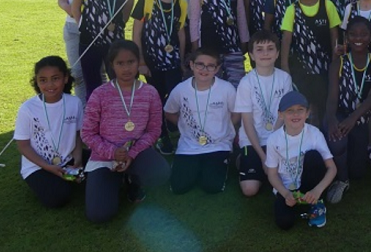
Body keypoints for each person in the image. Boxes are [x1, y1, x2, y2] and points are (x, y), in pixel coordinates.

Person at [81, 40, 170, 222]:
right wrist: (112, 152)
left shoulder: (150, 92)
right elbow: (87, 133)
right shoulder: (100, 94)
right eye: (120, 63)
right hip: (105, 157)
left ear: (138, 62)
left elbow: (154, 130)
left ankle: (132, 180)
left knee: (160, 173)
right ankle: (115, 179)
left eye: (131, 62)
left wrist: (132, 153)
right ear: (112, 65)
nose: (126, 68)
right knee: (99, 214)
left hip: (137, 153)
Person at [325, 17, 371, 203]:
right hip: (340, 114)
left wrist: (352, 119)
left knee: (358, 172)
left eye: (363, 34)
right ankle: (342, 180)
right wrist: (331, 119)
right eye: (353, 34)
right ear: (346, 37)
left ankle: (350, 160)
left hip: (360, 118)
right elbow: (332, 98)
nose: (358, 38)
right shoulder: (338, 63)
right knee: (336, 140)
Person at [131, 0, 188, 155]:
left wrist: (181, 61)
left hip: (172, 62)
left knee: (173, 96)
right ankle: (161, 135)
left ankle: (172, 127)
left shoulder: (181, 4)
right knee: (155, 98)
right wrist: (140, 61)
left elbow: (181, 33)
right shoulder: (146, 0)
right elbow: (136, 33)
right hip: (152, 62)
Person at [72, 0, 137, 101]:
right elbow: (75, 7)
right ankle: (96, 116)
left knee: (119, 84)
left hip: (115, 43)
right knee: (92, 85)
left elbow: (125, 15)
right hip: (88, 41)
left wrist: (113, 26)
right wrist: (83, 26)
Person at [164, 48, 237, 194]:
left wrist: (225, 128)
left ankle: (219, 163)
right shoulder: (180, 90)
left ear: (217, 69)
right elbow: (169, 112)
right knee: (179, 187)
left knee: (212, 187)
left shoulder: (226, 89)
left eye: (210, 66)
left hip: (218, 145)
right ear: (192, 65)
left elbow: (236, 113)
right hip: (189, 146)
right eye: (200, 64)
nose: (204, 69)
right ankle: (191, 166)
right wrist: (185, 126)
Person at [14, 56, 85, 208]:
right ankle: (60, 181)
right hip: (38, 166)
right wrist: (48, 167)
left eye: (55, 78)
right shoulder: (27, 109)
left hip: (68, 159)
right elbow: (23, 145)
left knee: (100, 165)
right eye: (43, 80)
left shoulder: (74, 103)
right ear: (37, 81)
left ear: (65, 78)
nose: (50, 85)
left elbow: (77, 134)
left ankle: (70, 177)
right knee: (58, 197)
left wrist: (78, 159)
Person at [234, 31, 294, 196]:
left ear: (277, 53)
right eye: (259, 49)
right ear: (252, 55)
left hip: (277, 137)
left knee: (289, 180)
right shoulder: (246, 82)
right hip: (252, 140)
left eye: (270, 48)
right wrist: (263, 157)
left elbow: (285, 114)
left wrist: (272, 149)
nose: (265, 53)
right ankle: (244, 159)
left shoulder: (284, 78)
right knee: (249, 190)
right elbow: (247, 123)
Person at [266, 91, 336, 229]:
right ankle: (294, 204)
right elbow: (272, 174)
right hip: (287, 189)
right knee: (284, 223)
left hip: (310, 186)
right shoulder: (273, 140)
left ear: (307, 113)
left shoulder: (315, 134)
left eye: (300, 110)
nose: (296, 114)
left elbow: (332, 168)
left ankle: (317, 203)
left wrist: (317, 190)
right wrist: (285, 193)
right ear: (280, 114)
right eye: (290, 111)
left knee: (313, 156)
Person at [281, 0, 341, 124]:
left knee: (323, 108)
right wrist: (285, 66)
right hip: (301, 70)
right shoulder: (291, 10)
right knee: (304, 108)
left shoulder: (327, 5)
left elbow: (334, 35)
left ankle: (323, 136)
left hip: (325, 68)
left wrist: (335, 63)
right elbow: (286, 39)